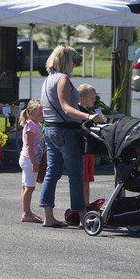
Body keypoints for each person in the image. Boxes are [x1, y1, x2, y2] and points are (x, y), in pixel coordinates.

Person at [39, 45, 104, 228]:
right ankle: (82, 216)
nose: (75, 65)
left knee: (52, 172)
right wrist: (89, 116)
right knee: (76, 173)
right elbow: (66, 107)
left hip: (50, 129)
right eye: (74, 61)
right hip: (65, 131)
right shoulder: (63, 79)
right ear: (67, 60)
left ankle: (48, 216)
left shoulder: (47, 80)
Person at [18, 100, 45, 224]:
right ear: (30, 112)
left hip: (28, 159)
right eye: (40, 113)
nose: (42, 115)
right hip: (29, 159)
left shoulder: (34, 124)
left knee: (26, 186)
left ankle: (27, 211)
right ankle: (26, 213)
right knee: (30, 187)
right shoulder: (30, 126)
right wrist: (34, 162)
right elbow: (29, 145)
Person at [77, 83, 99, 205]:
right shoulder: (80, 112)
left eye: (95, 97)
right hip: (84, 151)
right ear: (82, 98)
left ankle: (86, 203)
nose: (94, 100)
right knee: (84, 180)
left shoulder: (88, 112)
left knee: (87, 180)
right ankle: (84, 205)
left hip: (89, 150)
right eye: (91, 97)